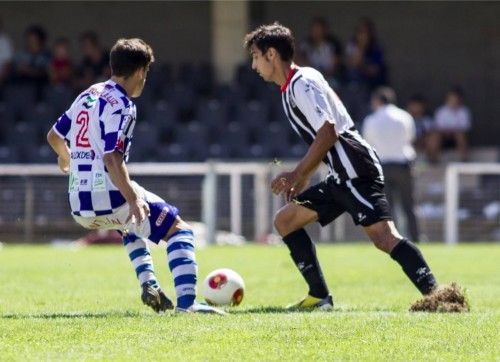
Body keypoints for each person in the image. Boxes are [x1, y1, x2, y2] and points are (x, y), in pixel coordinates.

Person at [243, 23, 461, 311]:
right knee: (285, 221)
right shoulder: (292, 87)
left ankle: (441, 298)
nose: (253, 64)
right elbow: (325, 135)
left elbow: (328, 132)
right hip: (341, 174)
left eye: (256, 56)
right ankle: (319, 297)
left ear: (271, 54)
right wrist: (304, 175)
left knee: (384, 238)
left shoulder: (301, 83)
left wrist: (298, 173)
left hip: (356, 169)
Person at [47, 38, 222, 314]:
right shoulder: (122, 105)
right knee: (180, 231)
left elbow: (54, 136)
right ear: (141, 71)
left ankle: (149, 283)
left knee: (130, 224)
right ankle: (187, 306)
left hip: (78, 205)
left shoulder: (88, 94)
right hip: (109, 194)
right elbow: (112, 157)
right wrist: (132, 198)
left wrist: (67, 158)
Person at [362, 87, 420, 242]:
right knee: (409, 205)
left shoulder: (371, 120)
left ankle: (393, 239)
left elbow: (368, 144)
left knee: (387, 207)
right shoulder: (405, 116)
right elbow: (410, 137)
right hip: (403, 165)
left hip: (383, 166)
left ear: (377, 101)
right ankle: (416, 238)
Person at [296, 17, 344, 88]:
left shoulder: (333, 44)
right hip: (310, 77)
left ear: (325, 30)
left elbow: (336, 64)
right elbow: (298, 61)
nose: (316, 32)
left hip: (330, 77)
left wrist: (324, 75)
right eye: (314, 29)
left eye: (319, 29)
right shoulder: (305, 44)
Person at [428, 87, 471, 162]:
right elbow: (437, 127)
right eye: (451, 99)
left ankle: (464, 160)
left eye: (456, 99)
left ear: (460, 100)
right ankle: (433, 160)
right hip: (443, 138)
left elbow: (465, 127)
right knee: (434, 136)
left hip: (457, 138)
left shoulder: (464, 111)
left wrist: (452, 131)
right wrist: (447, 131)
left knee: (460, 135)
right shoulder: (441, 111)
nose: (453, 101)